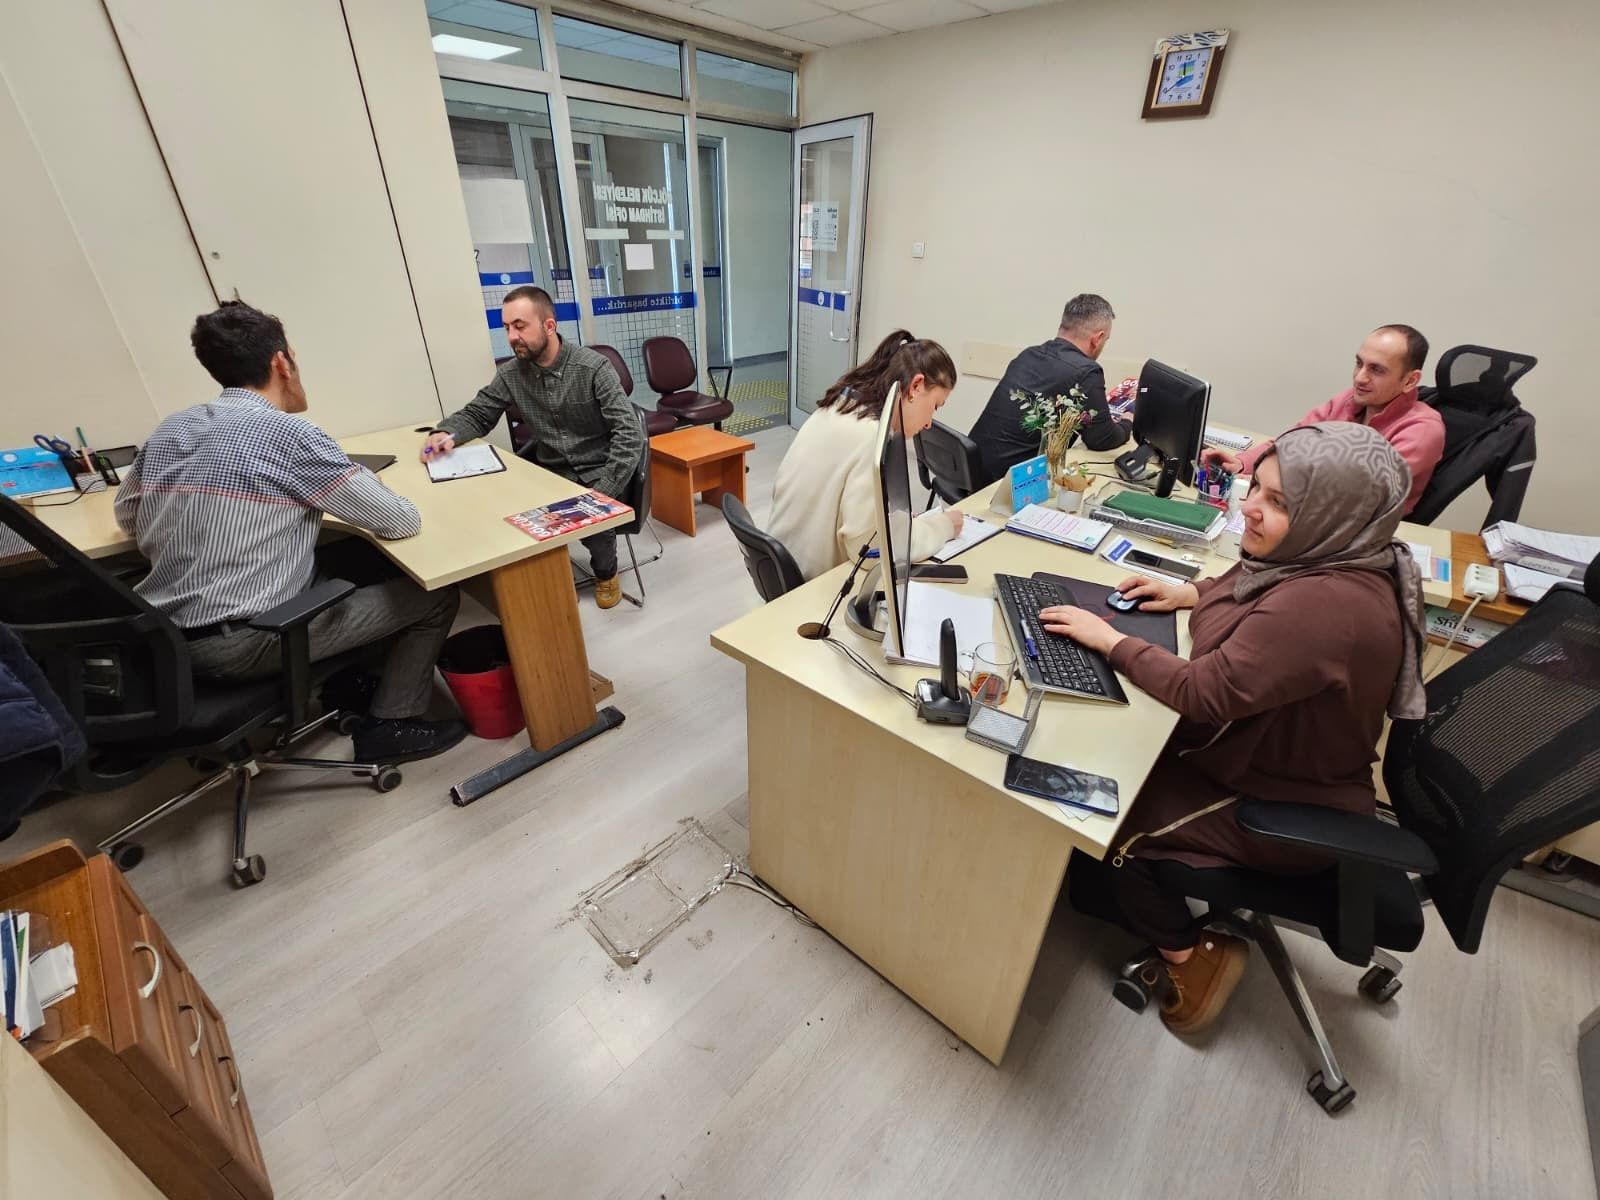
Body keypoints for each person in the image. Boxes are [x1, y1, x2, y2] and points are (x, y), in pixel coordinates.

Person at [1039, 422, 1426, 1035]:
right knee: (1108, 759)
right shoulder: (1337, 554)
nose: (1250, 507)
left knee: (1099, 811)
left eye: (1278, 501)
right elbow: (1246, 581)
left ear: (1330, 513)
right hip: (1268, 756)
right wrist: (1188, 592)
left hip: (1282, 802)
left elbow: (1201, 693)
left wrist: (1109, 640)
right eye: (1257, 489)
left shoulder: (1324, 606)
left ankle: (1192, 959)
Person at [116, 302, 467, 764]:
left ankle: (351, 685)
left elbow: (129, 515)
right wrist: (361, 481)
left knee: (358, 561)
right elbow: (400, 520)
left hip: (166, 637)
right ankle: (391, 726)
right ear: (281, 363)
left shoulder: (172, 429)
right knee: (435, 596)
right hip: (244, 641)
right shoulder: (290, 435)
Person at [422, 287, 644, 609]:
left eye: (520, 326)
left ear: (549, 326)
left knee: (594, 525)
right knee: (505, 512)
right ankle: (548, 579)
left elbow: (629, 433)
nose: (512, 337)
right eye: (507, 327)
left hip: (599, 468)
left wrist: (604, 491)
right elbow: (479, 413)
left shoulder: (593, 368)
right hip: (550, 471)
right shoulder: (511, 374)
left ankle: (606, 572)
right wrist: (445, 433)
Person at [768, 331, 963, 582]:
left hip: (784, 566)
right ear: (916, 386)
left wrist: (890, 521)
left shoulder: (840, 406)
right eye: (935, 406)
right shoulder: (872, 436)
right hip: (811, 584)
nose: (929, 423)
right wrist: (943, 527)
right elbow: (869, 551)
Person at [1202, 324, 1443, 515]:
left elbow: (1356, 491)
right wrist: (1243, 463)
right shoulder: (1349, 400)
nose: (1360, 378)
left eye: (1376, 370)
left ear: (1410, 381)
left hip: (1356, 528)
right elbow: (1290, 442)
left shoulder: (1423, 429)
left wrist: (1266, 482)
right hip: (1303, 509)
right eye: (1359, 363)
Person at [967, 293, 1128, 486]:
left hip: (969, 467)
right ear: (1098, 338)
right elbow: (1102, 439)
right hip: (1004, 482)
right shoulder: (1086, 371)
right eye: (1106, 340)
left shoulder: (1029, 355)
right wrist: (1127, 422)